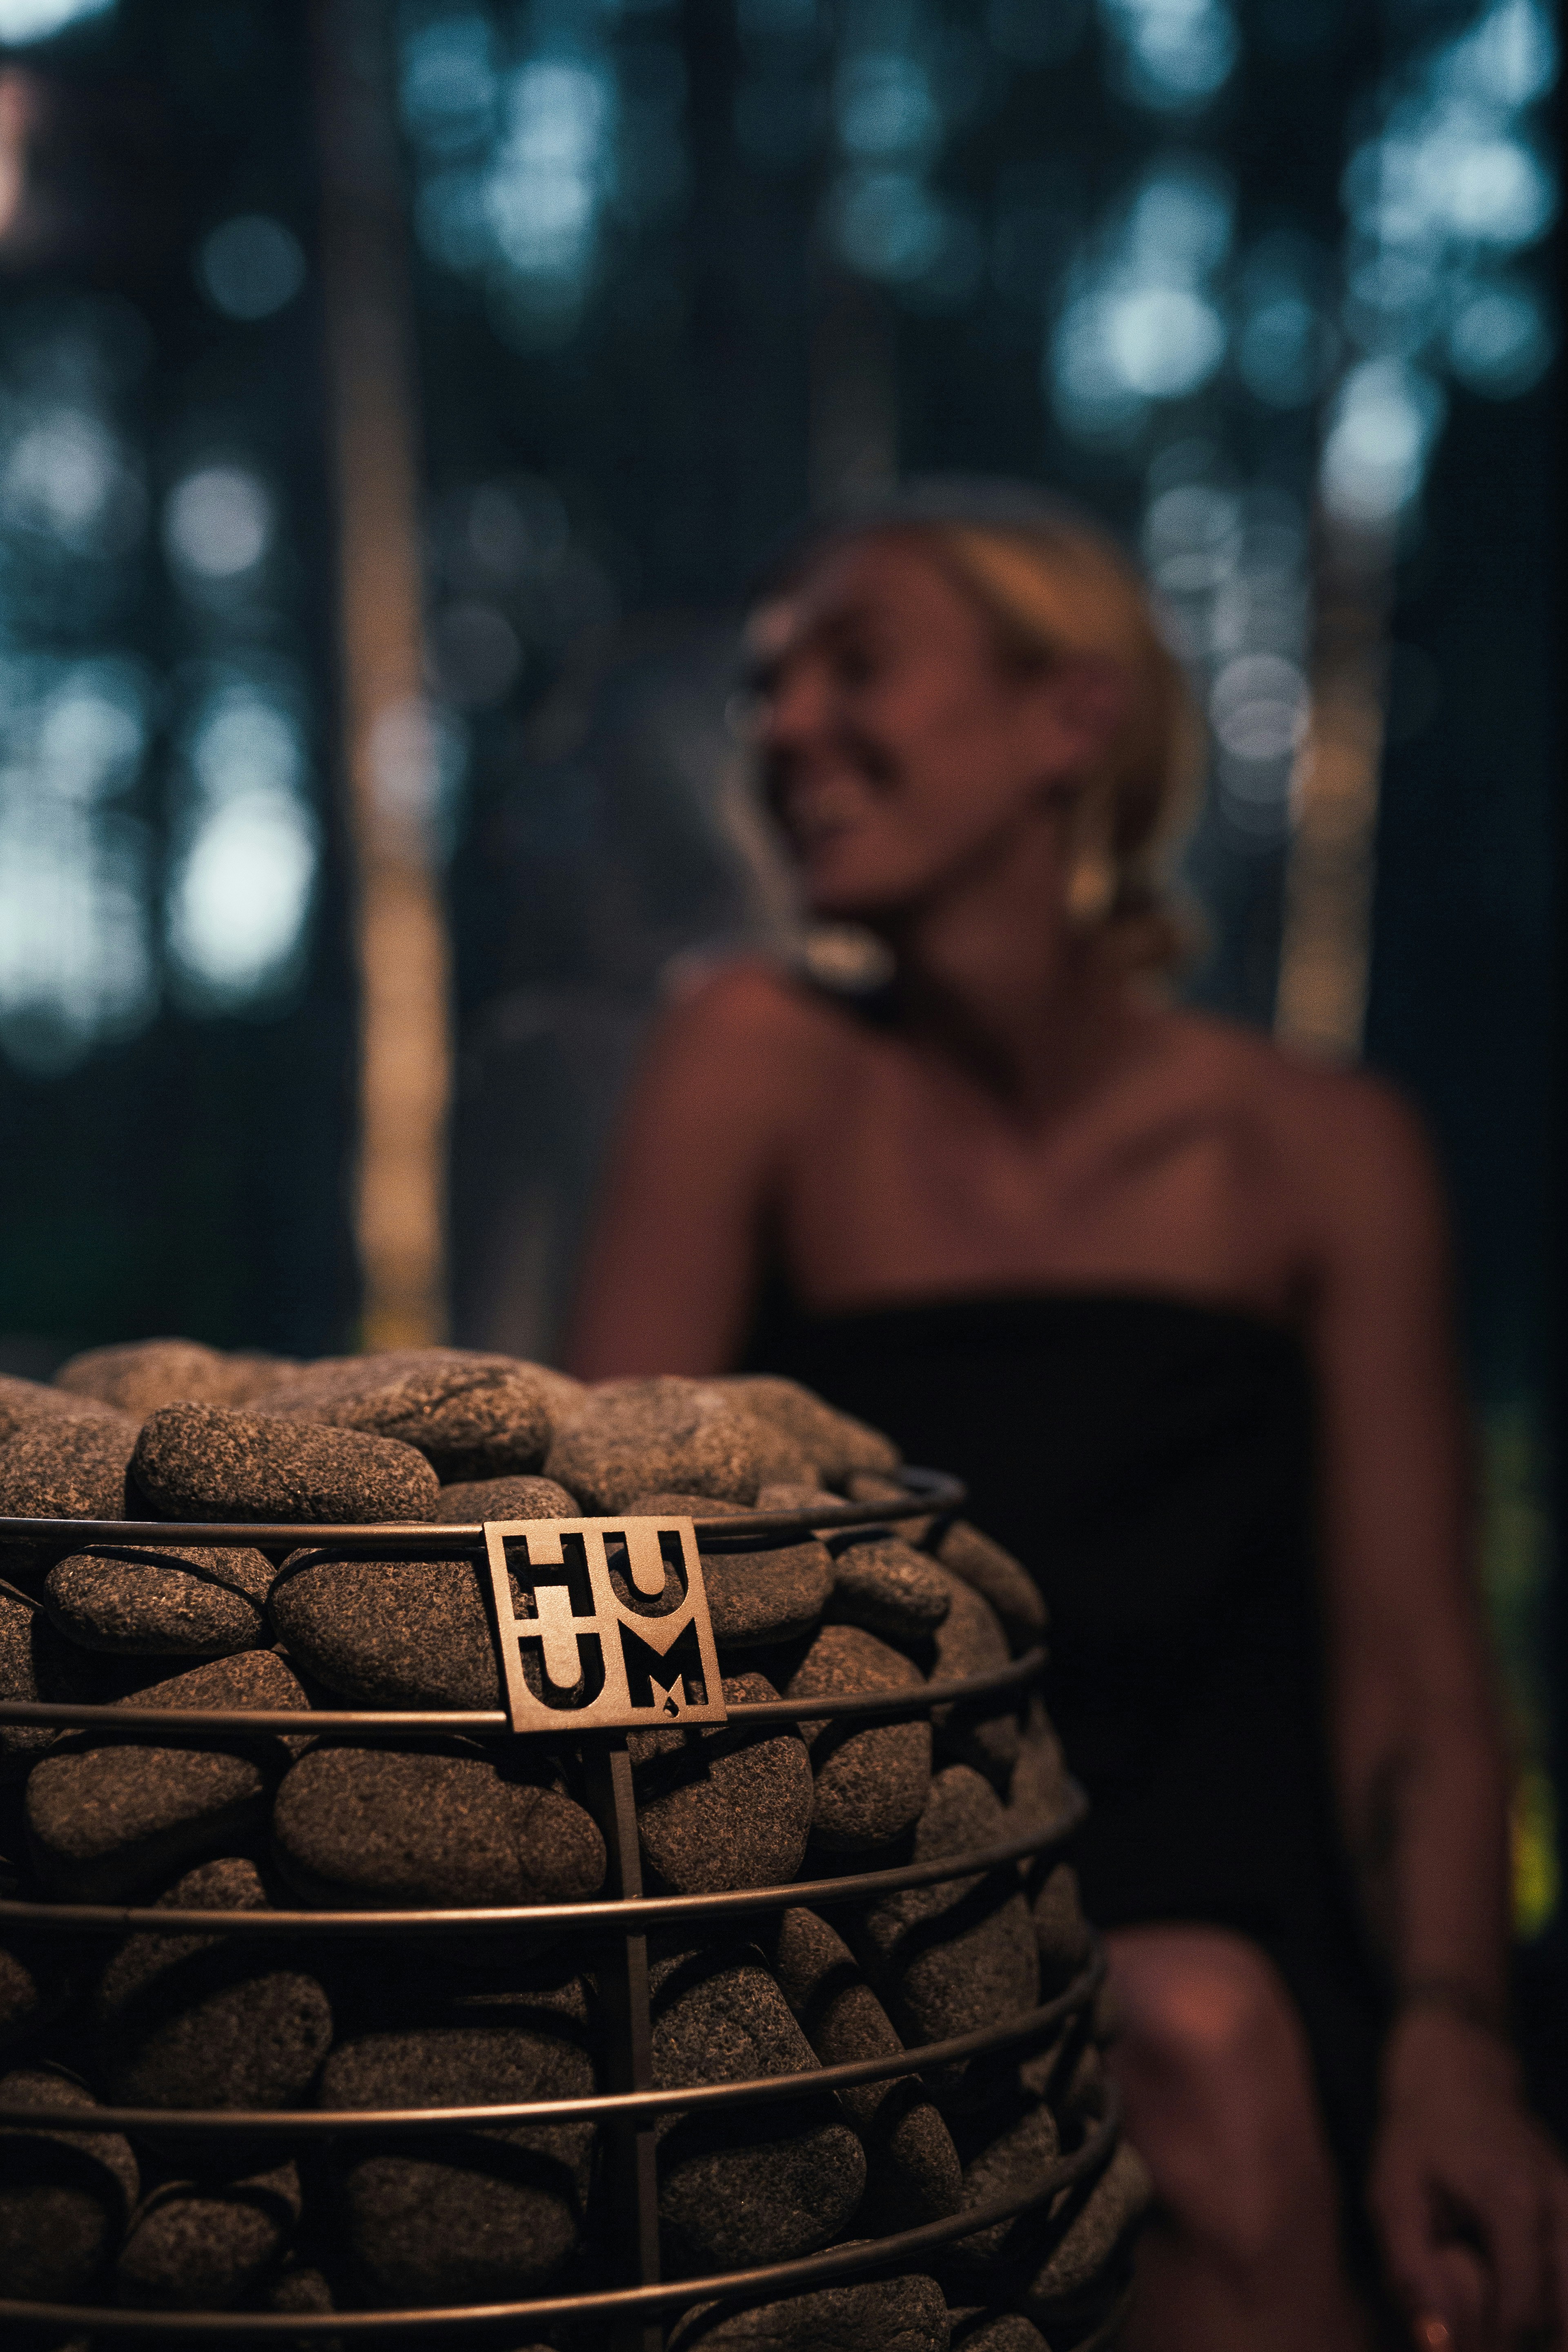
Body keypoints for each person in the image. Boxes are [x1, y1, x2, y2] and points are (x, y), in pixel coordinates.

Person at [564, 485, 1567, 2350]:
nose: (783, 730)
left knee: (1312, 2108)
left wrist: (1456, 2041)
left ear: (1070, 718)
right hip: (893, 1921)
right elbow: (607, 1564)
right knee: (1191, 2050)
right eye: (765, 693)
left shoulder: (1323, 1154)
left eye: (855, 668)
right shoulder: (756, 1065)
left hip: (1273, 1928)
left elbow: (1419, 1682)